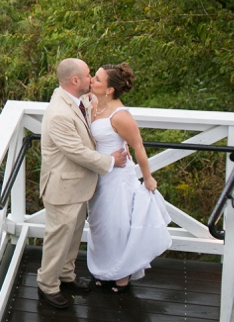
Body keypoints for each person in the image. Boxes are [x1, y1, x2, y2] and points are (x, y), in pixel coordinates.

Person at [37, 58, 129, 310]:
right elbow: (77, 151)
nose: (92, 79)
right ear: (75, 80)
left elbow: (89, 108)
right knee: (58, 239)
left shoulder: (77, 101)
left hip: (78, 186)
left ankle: (66, 274)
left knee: (73, 235)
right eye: (89, 75)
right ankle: (48, 285)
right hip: (62, 187)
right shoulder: (58, 113)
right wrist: (110, 160)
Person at [85, 63, 172, 293]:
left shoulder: (120, 115)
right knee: (99, 224)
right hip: (100, 173)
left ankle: (121, 276)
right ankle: (103, 270)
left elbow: (138, 147)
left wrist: (148, 178)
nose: (92, 81)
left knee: (117, 225)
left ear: (110, 90)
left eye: (97, 79)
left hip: (118, 177)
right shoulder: (94, 103)